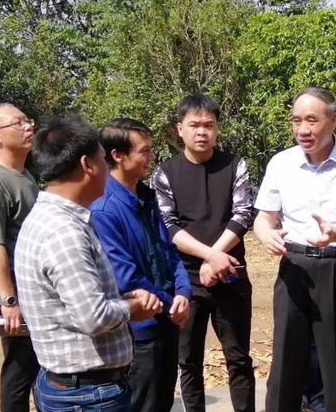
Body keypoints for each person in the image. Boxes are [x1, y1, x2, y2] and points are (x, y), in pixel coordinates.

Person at [253, 86, 336, 412]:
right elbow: (264, 217)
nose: (303, 129)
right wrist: (265, 235)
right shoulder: (281, 163)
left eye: (312, 120)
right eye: (296, 120)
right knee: (285, 361)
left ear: (333, 121)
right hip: (294, 266)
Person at [14, 114, 163, 412]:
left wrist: (120, 298)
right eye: (103, 160)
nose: (108, 169)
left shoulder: (52, 218)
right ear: (88, 165)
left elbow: (75, 300)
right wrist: (134, 308)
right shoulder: (64, 232)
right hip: (88, 395)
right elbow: (93, 317)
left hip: (77, 388)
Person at [151, 94, 256, 412]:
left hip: (230, 274)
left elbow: (243, 214)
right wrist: (210, 257)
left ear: (217, 128)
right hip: (185, 282)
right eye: (194, 125)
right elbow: (167, 226)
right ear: (179, 129)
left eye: (209, 125)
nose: (202, 132)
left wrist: (216, 258)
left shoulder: (235, 166)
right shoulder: (164, 173)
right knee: (189, 361)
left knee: (238, 358)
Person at [90, 118, 192, 412]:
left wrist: (183, 292)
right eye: (144, 151)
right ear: (117, 156)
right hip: (140, 329)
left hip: (167, 318)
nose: (151, 157)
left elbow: (168, 250)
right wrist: (171, 305)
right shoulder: (104, 208)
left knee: (162, 401)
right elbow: (126, 278)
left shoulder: (147, 196)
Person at [0, 103, 39, 412]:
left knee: (38, 369)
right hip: (14, 295)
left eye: (27, 121)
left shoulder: (24, 174)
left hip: (32, 289)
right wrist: (9, 300)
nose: (28, 127)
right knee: (19, 372)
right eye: (18, 123)